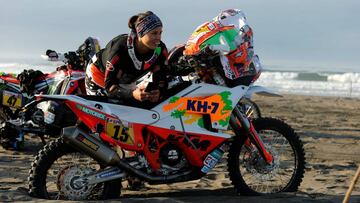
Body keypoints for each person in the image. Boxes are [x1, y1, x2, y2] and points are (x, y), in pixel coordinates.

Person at [85, 11, 168, 107]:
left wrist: (158, 92)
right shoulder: (119, 48)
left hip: (126, 81)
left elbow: (162, 79)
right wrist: (132, 94)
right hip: (99, 76)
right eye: (154, 33)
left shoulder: (160, 50)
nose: (158, 38)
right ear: (140, 34)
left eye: (160, 33)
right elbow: (110, 88)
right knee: (105, 112)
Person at [184, 8, 263, 87]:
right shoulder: (211, 26)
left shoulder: (242, 31)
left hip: (238, 66)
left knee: (250, 64)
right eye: (223, 18)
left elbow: (243, 51)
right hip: (195, 50)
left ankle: (228, 89)